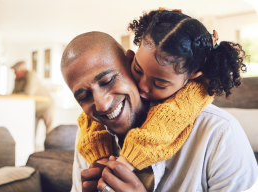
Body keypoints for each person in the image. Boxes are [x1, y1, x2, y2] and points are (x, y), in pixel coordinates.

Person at [61, 21, 258, 192]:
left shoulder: (219, 133)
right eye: (84, 96)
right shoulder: (89, 138)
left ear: (130, 63)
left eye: (107, 80)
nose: (102, 105)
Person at [11, 61, 54, 136]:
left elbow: (28, 94)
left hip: (46, 106)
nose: (14, 73)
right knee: (31, 132)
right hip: (34, 108)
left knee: (49, 132)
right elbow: (13, 94)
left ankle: (50, 147)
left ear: (22, 70)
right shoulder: (17, 79)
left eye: (15, 71)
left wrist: (17, 94)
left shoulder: (31, 75)